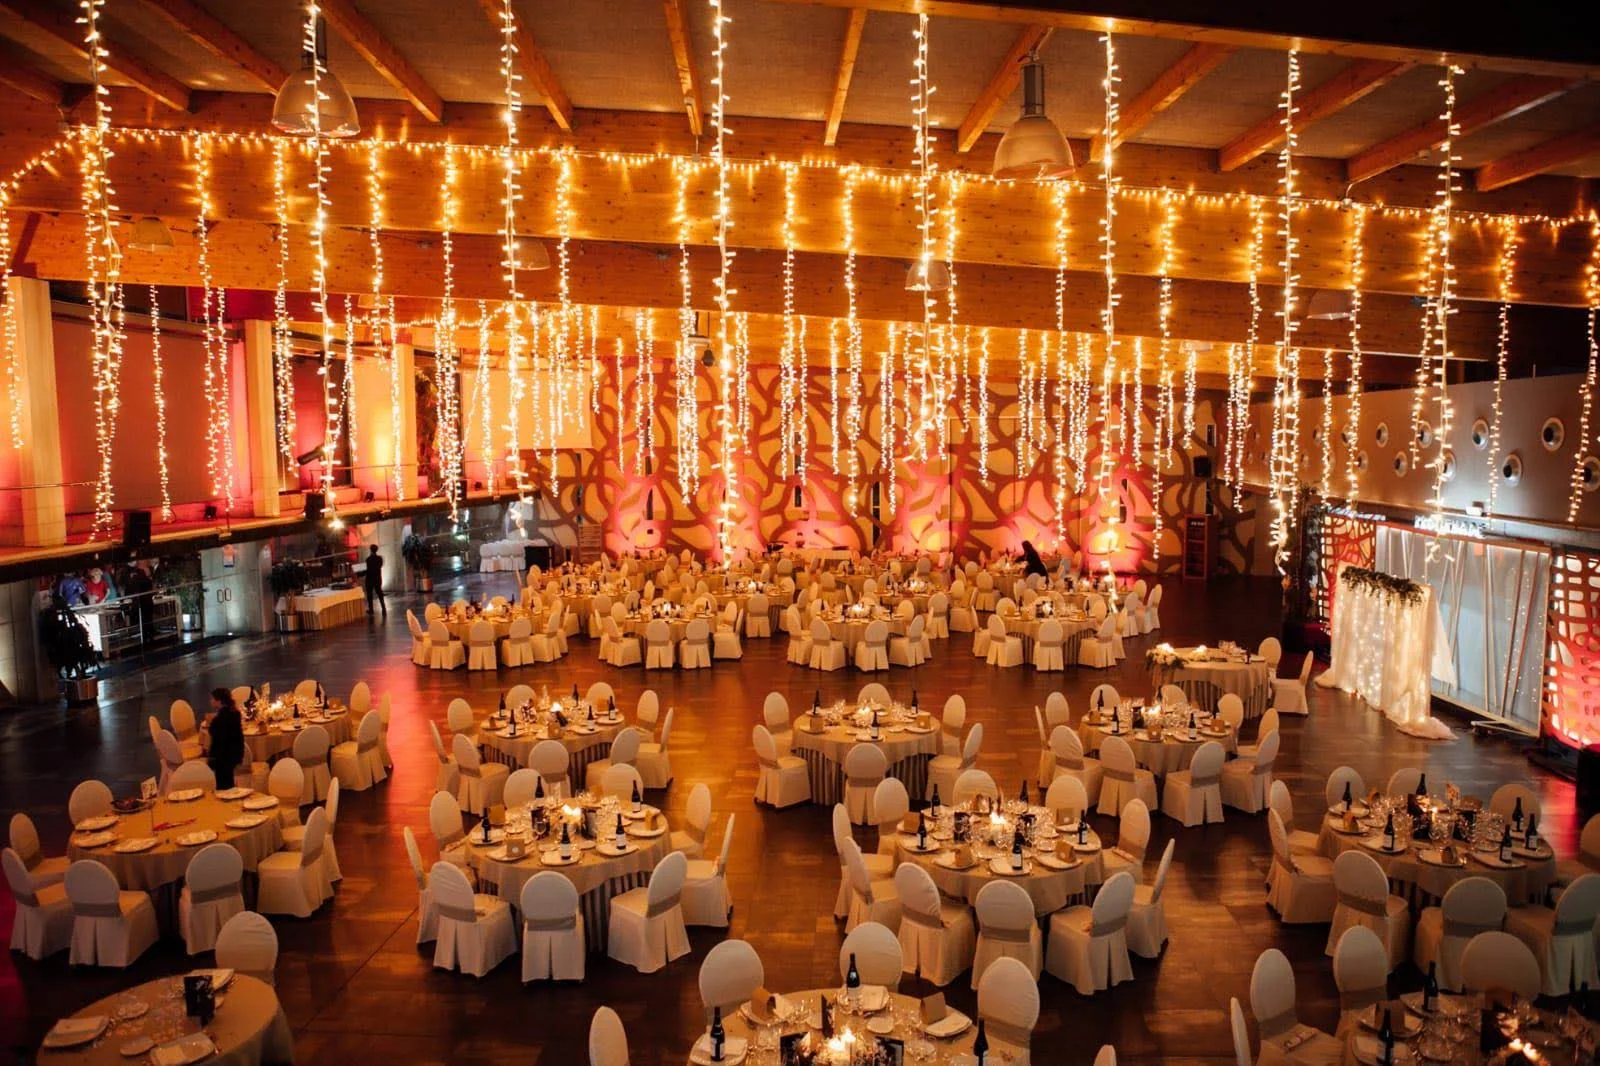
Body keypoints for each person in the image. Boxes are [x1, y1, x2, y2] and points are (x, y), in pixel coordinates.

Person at [206, 687, 244, 790]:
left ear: (219, 701)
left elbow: (215, 738)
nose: (211, 701)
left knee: (222, 784)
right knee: (229, 780)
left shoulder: (219, 720)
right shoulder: (235, 714)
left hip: (222, 757)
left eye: (212, 699)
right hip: (233, 754)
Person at [364, 544, 386, 617]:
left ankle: (371, 609)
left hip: (370, 579)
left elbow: (367, 570)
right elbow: (380, 566)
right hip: (377, 578)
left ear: (370, 550)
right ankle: (383, 608)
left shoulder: (368, 559)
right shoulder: (380, 558)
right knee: (380, 593)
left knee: (369, 595)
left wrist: (359, 573)